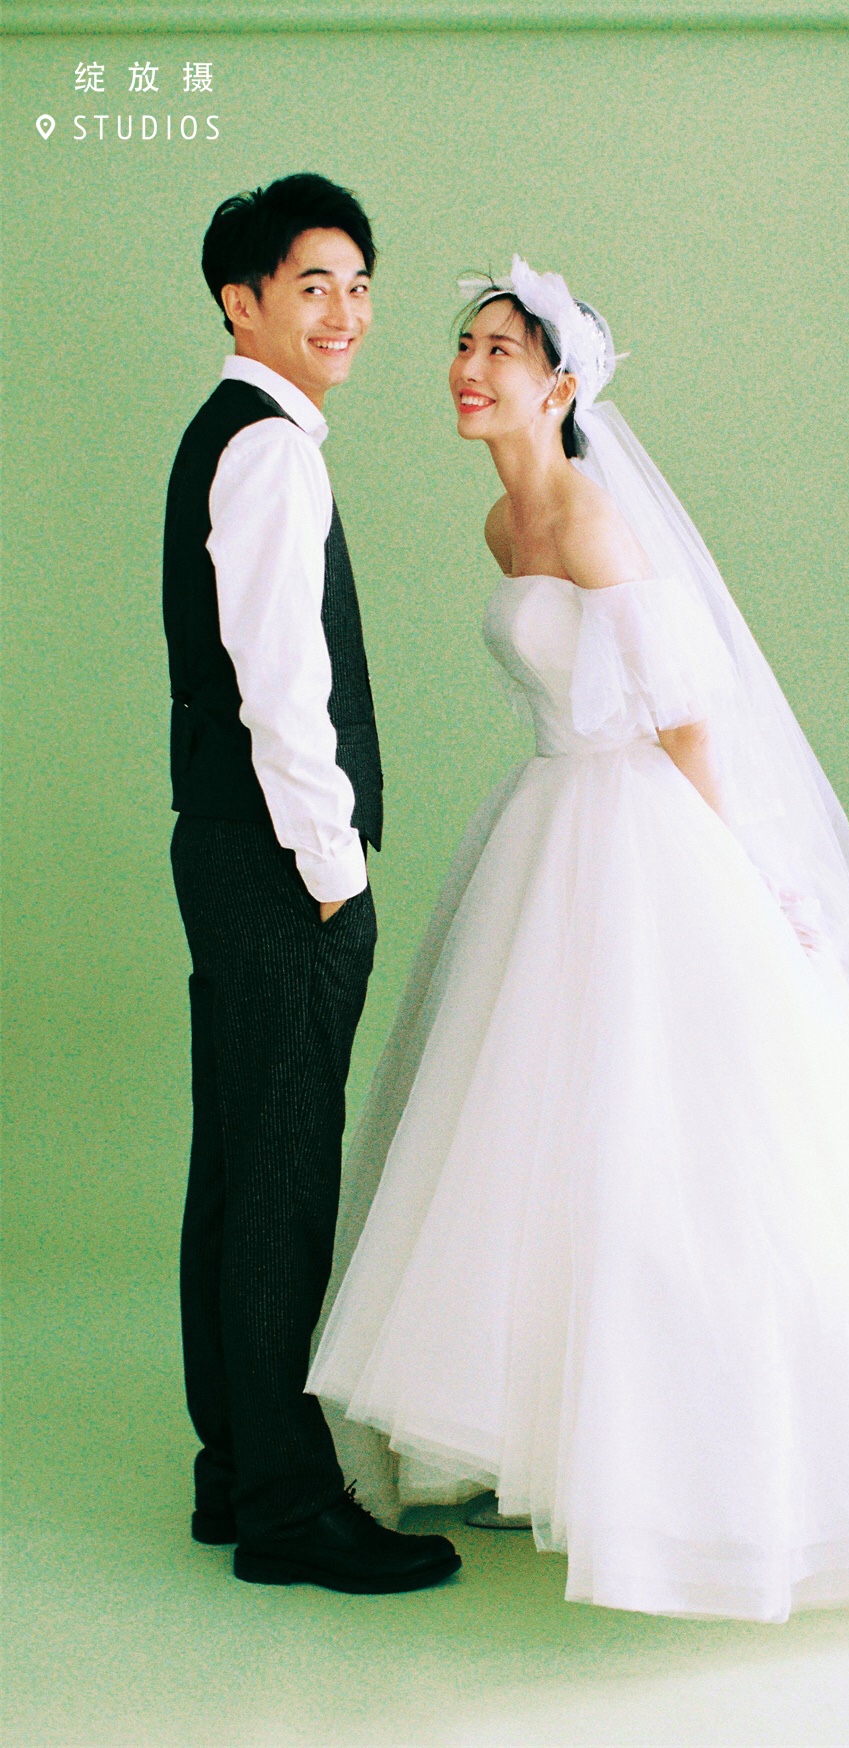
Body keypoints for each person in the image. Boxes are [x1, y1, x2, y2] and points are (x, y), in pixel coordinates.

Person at [307, 257, 849, 1622]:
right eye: (462, 346)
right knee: (537, 1142)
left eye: (498, 350)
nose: (466, 370)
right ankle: (541, 1441)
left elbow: (689, 714)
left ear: (560, 384)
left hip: (640, 832)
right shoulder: (501, 522)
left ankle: (711, 1474)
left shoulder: (590, 517)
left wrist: (736, 876)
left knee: (681, 1149)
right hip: (546, 824)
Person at [163, 173, 459, 1594]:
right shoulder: (271, 451)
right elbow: (282, 686)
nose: (346, 312)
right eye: (312, 285)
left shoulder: (235, 434)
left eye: (360, 286)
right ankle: (287, 1505)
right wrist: (333, 871)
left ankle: (236, 1470)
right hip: (281, 869)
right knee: (278, 1181)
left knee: (238, 1168)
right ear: (243, 301)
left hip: (228, 852)